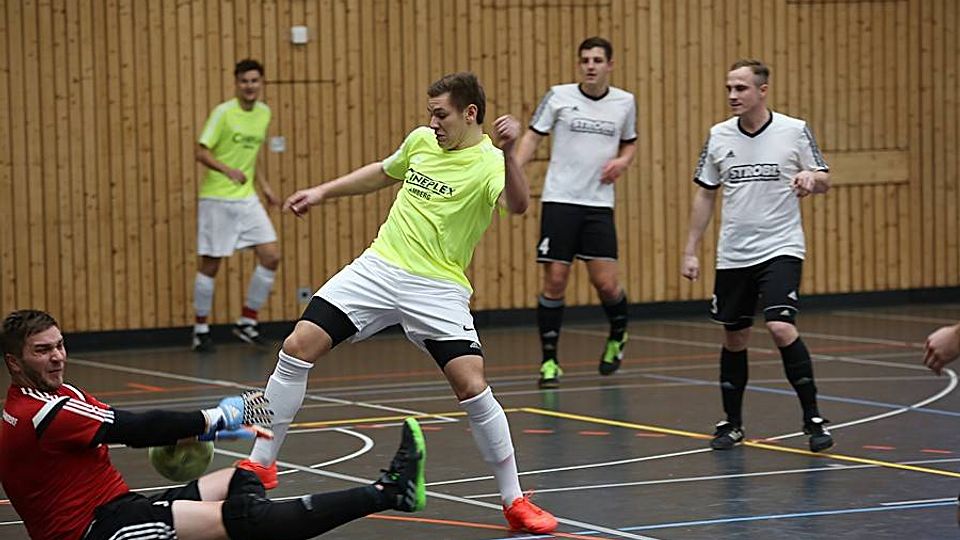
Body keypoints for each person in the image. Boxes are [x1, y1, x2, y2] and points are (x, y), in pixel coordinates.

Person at [234, 72, 558, 534]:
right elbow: (382, 172)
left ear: (470, 114)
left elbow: (518, 204)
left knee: (471, 385)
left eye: (441, 114)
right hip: (379, 268)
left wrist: (509, 153)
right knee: (297, 346)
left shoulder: (490, 163)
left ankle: (515, 501)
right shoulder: (421, 141)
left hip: (437, 287)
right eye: (430, 114)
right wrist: (323, 192)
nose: (433, 123)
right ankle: (262, 461)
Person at [0, 309, 427, 540]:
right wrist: (219, 418)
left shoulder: (60, 395)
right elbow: (134, 427)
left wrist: (203, 429)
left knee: (242, 477)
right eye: (43, 351)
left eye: (59, 345)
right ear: (15, 363)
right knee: (244, 517)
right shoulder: (42, 412)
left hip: (117, 507)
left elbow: (134, 426)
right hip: (99, 530)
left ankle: (256, 515)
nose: (57, 357)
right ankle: (389, 492)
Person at [680, 59, 834, 453]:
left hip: (781, 247)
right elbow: (705, 194)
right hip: (734, 254)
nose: (733, 95)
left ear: (762, 90)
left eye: (741, 88)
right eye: (729, 88)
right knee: (735, 337)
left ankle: (813, 418)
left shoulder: (793, 130)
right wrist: (690, 250)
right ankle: (732, 423)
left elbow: (824, 178)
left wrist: (811, 178)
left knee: (780, 326)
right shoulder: (718, 136)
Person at [516, 36, 637, 389]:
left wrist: (623, 161)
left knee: (606, 284)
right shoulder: (559, 96)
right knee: (555, 280)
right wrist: (511, 172)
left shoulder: (625, 102)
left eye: (597, 60)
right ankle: (549, 362)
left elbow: (630, 141)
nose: (590, 66)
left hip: (598, 204)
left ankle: (618, 334)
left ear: (609, 65)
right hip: (560, 200)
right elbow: (532, 137)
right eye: (585, 60)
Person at [192, 58, 282, 352]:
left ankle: (247, 322)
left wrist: (265, 188)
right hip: (217, 198)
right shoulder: (223, 113)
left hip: (246, 198)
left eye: (254, 80)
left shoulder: (264, 113)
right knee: (211, 264)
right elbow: (201, 152)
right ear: (237, 83)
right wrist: (227, 170)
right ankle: (200, 330)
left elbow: (253, 157)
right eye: (244, 81)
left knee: (271, 256)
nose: (249, 86)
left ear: (261, 83)